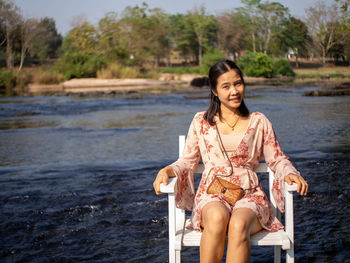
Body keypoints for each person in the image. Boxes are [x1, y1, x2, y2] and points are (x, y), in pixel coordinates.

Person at [153, 60, 308, 263]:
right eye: (226, 86)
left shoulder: (259, 121)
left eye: (238, 83)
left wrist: (290, 172)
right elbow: (187, 161)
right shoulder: (201, 121)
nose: (234, 91)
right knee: (217, 219)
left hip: (250, 194)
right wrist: (167, 170)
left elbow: (277, 159)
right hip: (213, 192)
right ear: (215, 91)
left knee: (238, 225)